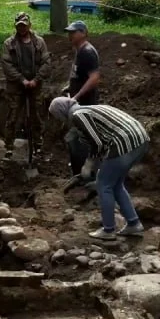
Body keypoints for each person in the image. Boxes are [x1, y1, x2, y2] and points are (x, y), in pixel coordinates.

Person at [49, 96, 147, 241]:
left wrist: (88, 164)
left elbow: (97, 142)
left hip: (123, 141)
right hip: (140, 139)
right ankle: (133, 224)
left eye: (57, 116)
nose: (60, 120)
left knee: (103, 184)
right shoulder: (88, 110)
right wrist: (97, 165)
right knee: (116, 184)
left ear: (61, 112)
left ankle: (108, 229)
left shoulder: (78, 115)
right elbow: (100, 142)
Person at [0, 12, 51, 156]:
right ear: (15, 26)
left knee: (37, 116)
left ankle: (38, 145)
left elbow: (46, 63)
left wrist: (36, 80)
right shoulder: (9, 44)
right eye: (19, 26)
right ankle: (9, 147)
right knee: (12, 116)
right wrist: (21, 79)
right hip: (16, 86)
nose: (22, 28)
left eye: (24, 25)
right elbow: (7, 65)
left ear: (29, 25)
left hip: (36, 85)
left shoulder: (39, 42)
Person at [62, 20, 100, 105]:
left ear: (83, 33)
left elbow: (94, 78)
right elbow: (80, 74)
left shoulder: (87, 52)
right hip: (79, 102)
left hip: (86, 104)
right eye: (69, 33)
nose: (70, 35)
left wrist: (76, 97)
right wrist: (70, 87)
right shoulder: (79, 51)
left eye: (73, 32)